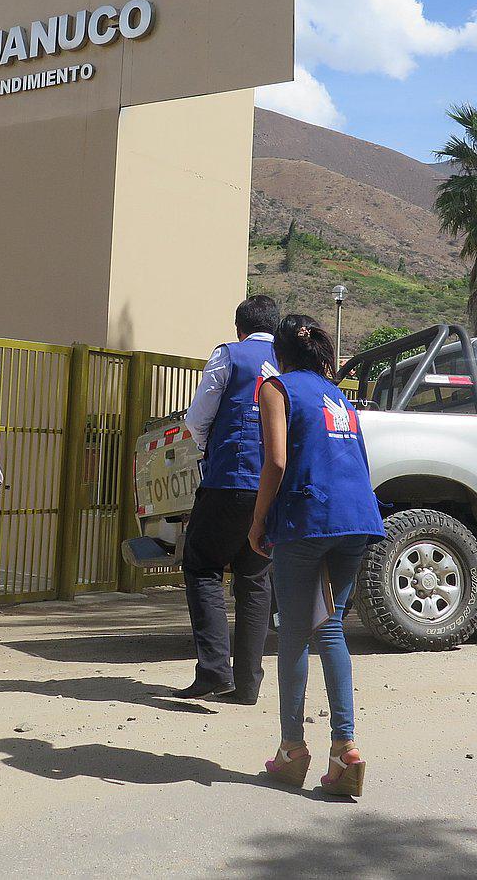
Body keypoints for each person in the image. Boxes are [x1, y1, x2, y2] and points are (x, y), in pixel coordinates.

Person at [248, 314, 384, 798]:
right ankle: (345, 749)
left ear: (278, 354)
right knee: (330, 629)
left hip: (306, 517)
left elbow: (277, 460)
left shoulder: (275, 388)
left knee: (294, 633)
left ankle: (292, 750)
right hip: (355, 517)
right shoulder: (339, 395)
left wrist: (259, 520)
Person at [175, 295, 280, 703]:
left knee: (202, 566)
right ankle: (248, 684)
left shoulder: (229, 355)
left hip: (229, 480)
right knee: (254, 579)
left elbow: (198, 417)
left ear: (239, 328)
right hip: (272, 486)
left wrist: (209, 449)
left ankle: (214, 671)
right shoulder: (289, 362)